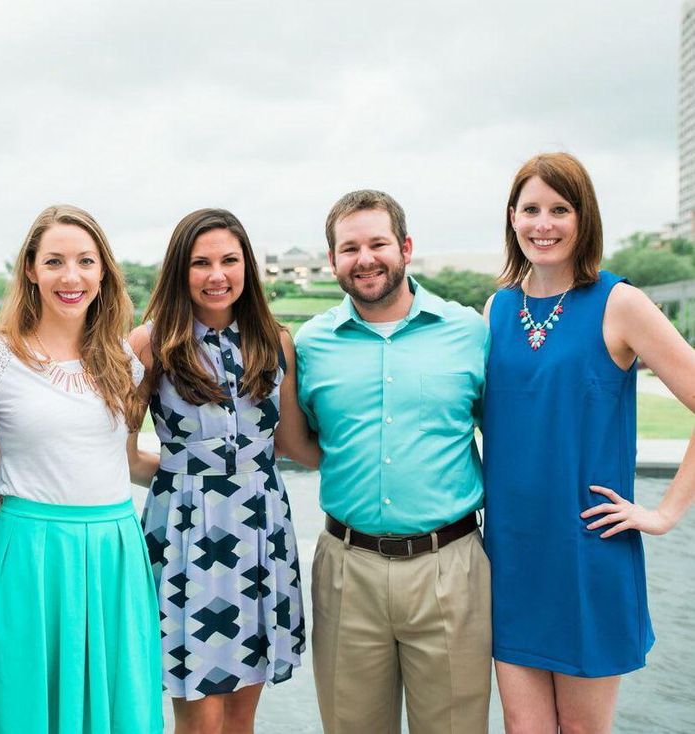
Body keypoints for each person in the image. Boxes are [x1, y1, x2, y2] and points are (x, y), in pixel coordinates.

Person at [482, 152, 695, 733]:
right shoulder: (497, 308)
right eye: (531, 209)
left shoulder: (619, 302)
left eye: (560, 209)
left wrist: (665, 513)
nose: (543, 223)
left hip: (587, 550)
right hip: (510, 557)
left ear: (584, 219)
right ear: (512, 217)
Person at [0, 205, 164, 734]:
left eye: (84, 262)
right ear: (30, 269)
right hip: (27, 552)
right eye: (54, 261)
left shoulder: (125, 359)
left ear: (103, 272)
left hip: (115, 551)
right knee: (23, 707)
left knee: (116, 707)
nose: (70, 277)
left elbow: (120, 455)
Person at [294, 190, 491, 734]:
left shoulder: (469, 332)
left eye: (377, 243)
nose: (365, 258)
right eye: (349, 247)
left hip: (450, 565)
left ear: (404, 247)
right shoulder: (310, 345)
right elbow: (304, 445)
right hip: (346, 568)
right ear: (332, 260)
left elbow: (504, 440)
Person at [131, 208, 316, 734]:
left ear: (247, 266)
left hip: (263, 534)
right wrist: (187, 479)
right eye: (201, 262)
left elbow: (293, 443)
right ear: (179, 271)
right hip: (187, 538)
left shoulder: (274, 340)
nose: (217, 274)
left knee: (241, 717)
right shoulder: (149, 344)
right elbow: (120, 453)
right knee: (200, 718)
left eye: (229, 260)